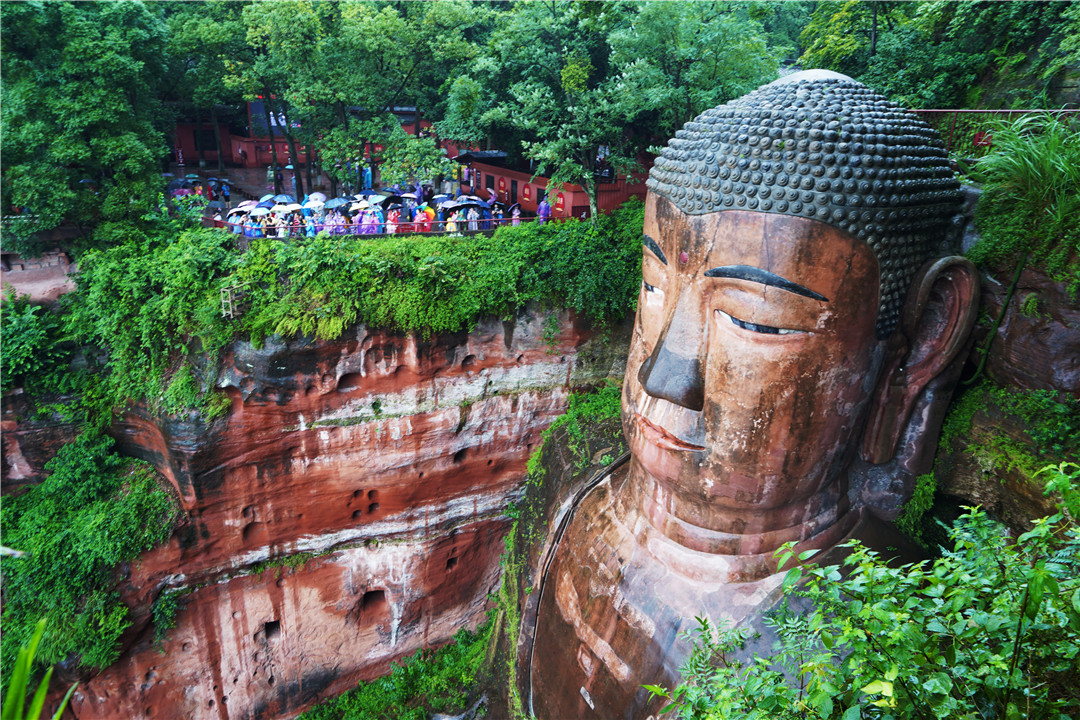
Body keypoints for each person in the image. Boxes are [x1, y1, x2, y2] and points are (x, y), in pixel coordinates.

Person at [526, 71, 979, 720]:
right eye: (654, 288)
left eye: (754, 320)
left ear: (927, 335)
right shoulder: (577, 497)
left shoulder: (876, 634)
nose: (664, 376)